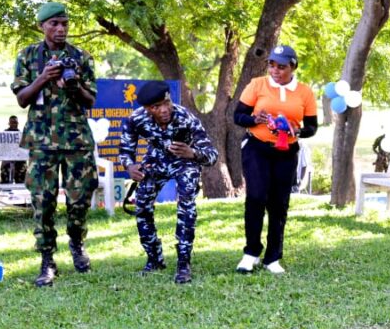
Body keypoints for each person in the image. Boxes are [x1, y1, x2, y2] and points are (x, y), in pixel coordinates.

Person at [11, 2, 98, 287]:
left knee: (79, 200)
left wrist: (75, 87)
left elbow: (90, 101)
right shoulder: (27, 56)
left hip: (76, 141)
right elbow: (23, 99)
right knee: (43, 202)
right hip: (42, 141)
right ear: (42, 26)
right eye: (54, 24)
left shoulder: (81, 57)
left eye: (64, 23)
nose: (60, 29)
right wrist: (43, 78)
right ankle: (47, 259)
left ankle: (77, 244)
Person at [118, 81, 219, 284]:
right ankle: (154, 259)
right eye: (156, 107)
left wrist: (193, 153)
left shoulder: (186, 118)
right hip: (155, 161)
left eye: (166, 103)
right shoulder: (135, 120)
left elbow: (212, 155)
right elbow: (125, 151)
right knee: (142, 206)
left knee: (186, 206)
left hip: (185, 161)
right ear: (147, 109)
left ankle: (183, 263)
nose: (164, 110)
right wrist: (130, 167)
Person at [233, 44, 318, 275]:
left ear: (292, 67)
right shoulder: (257, 85)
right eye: (271, 64)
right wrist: (255, 119)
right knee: (256, 198)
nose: (275, 70)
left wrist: (296, 131)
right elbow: (238, 116)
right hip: (257, 148)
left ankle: (272, 257)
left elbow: (311, 127)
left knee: (279, 204)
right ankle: (250, 253)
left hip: (286, 152)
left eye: (281, 66)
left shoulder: (305, 92)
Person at [0, 115, 27, 184]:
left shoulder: (21, 134)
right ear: (9, 123)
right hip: (7, 160)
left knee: (21, 177)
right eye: (12, 122)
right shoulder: (4, 134)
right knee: (5, 178)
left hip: (19, 160)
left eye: (16, 122)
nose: (14, 124)